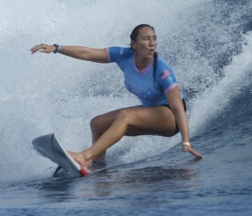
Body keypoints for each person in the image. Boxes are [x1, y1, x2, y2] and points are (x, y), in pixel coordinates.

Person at [30, 24, 202, 168]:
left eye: (154, 38)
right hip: (150, 111)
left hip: (169, 117)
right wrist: (57, 48)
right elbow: (88, 53)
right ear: (134, 44)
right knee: (97, 124)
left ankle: (85, 157)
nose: (152, 43)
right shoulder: (124, 56)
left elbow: (179, 109)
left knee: (125, 116)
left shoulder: (161, 69)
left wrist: (186, 141)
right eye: (146, 39)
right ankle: (98, 164)